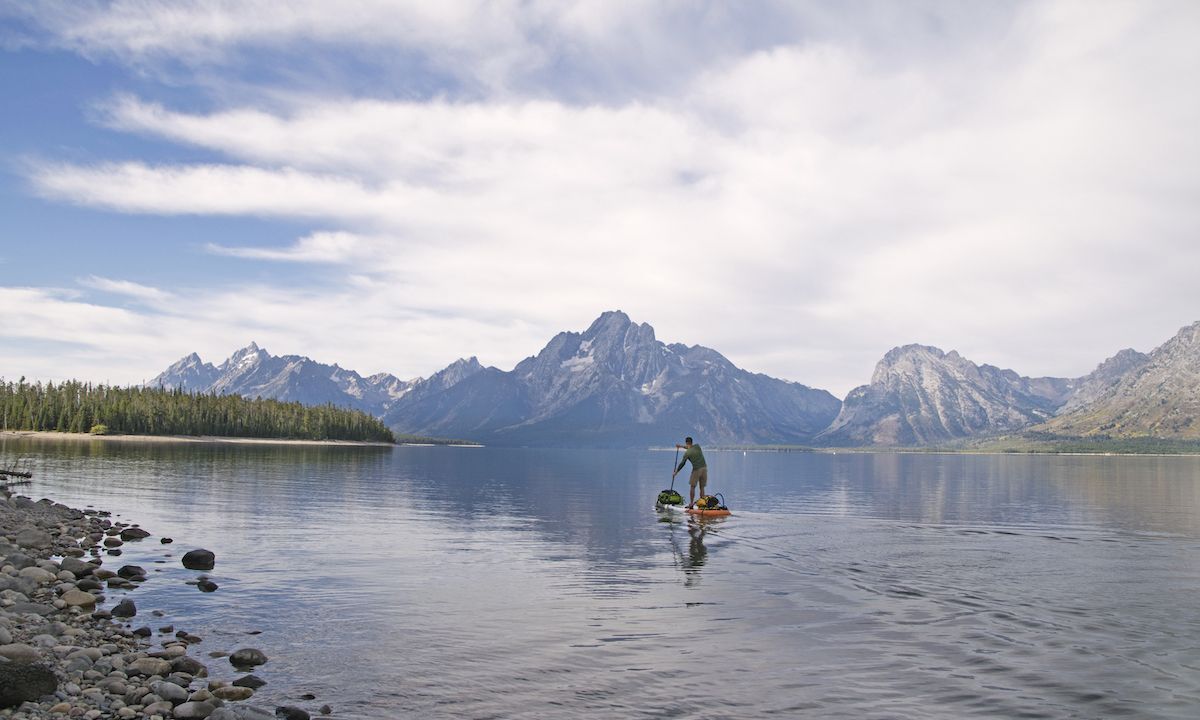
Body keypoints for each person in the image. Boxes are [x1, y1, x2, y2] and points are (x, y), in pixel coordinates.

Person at [672, 436, 707, 508]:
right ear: (692, 442)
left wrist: (676, 472)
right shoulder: (697, 446)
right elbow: (689, 447)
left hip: (697, 470)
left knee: (692, 486)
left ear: (686, 442)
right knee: (702, 487)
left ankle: (691, 504)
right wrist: (681, 446)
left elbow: (682, 463)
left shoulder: (687, 453)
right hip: (704, 468)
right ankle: (703, 504)